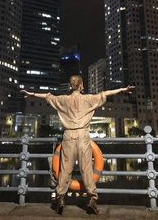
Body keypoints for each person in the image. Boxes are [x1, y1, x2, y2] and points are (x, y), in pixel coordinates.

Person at [21, 75, 135, 214]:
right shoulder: (88, 99)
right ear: (81, 86)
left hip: (68, 135)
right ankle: (92, 199)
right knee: (86, 169)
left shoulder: (63, 100)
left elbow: (47, 96)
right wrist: (123, 89)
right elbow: (105, 93)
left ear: (70, 86)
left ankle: (60, 199)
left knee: (65, 169)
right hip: (83, 136)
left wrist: (31, 94)